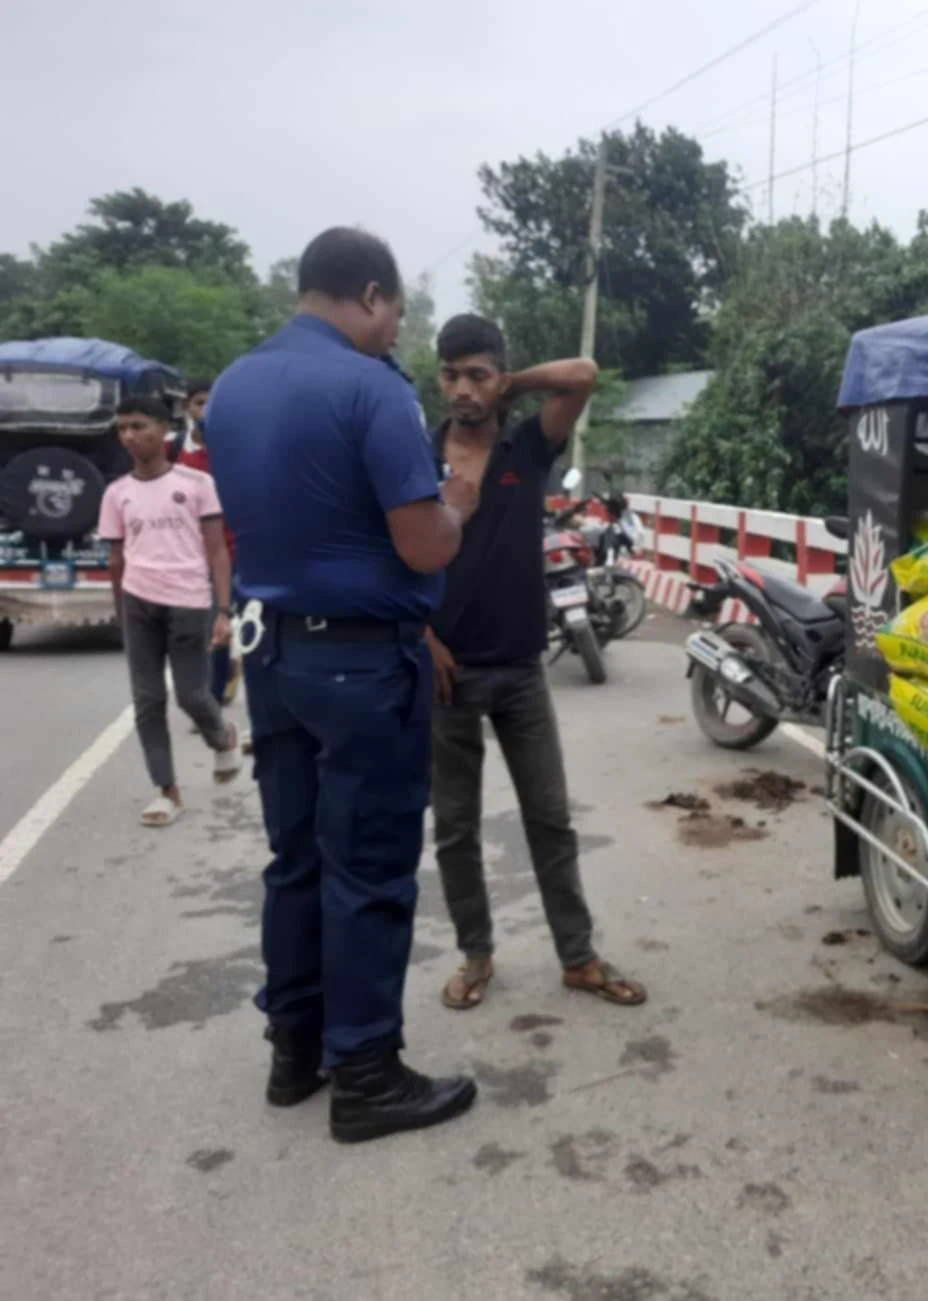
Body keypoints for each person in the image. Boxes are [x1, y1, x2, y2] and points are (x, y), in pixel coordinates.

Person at [205, 227, 481, 1143]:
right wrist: (457, 504)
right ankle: (366, 1073)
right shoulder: (373, 389)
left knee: (296, 858)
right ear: (369, 294)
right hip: (361, 665)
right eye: (395, 311)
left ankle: (294, 1049)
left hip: (273, 656)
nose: (396, 329)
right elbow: (424, 545)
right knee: (367, 867)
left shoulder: (233, 387)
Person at [424, 314, 646, 1012]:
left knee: (550, 818)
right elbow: (389, 551)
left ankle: (578, 958)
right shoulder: (416, 454)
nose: (462, 389)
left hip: (521, 668)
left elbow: (583, 375)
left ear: (500, 376)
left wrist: (510, 384)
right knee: (455, 829)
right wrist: (419, 635)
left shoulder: (527, 444)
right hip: (446, 672)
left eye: (477, 375)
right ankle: (476, 955)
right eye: (451, 375)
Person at [99, 396, 242, 826]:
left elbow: (217, 551)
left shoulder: (197, 484)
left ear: (163, 429)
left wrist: (223, 610)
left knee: (191, 694)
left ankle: (222, 736)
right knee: (147, 700)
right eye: (122, 428)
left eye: (138, 426)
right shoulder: (116, 493)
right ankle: (167, 791)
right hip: (138, 602)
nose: (129, 436)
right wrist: (120, 612)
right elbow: (116, 559)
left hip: (189, 601)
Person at [172, 378, 239, 706]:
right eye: (200, 403)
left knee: (218, 623)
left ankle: (211, 699)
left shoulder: (235, 447)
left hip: (229, 551)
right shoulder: (173, 450)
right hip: (185, 554)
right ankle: (220, 677)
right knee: (191, 631)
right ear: (186, 407)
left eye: (214, 403)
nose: (207, 410)